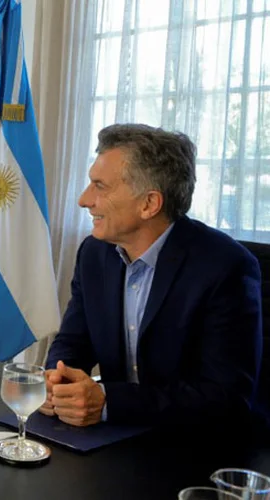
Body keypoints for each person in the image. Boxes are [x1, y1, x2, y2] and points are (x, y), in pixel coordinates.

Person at [41, 124, 262, 428]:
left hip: (192, 453)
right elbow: (72, 342)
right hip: (112, 442)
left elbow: (225, 398)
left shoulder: (225, 267)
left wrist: (108, 402)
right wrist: (57, 380)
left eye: (100, 186)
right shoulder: (94, 253)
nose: (83, 199)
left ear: (149, 204)